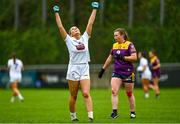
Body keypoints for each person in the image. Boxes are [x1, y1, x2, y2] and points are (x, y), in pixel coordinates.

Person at [53, 2, 99, 122]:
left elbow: (90, 22)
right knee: (74, 95)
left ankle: (91, 116)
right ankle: (73, 116)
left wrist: (95, 9)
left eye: (76, 28)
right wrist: (56, 13)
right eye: (72, 29)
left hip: (84, 67)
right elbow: (60, 27)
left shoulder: (85, 37)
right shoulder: (69, 40)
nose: (75, 29)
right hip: (73, 69)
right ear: (70, 34)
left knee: (85, 93)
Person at [98, 28, 137, 119]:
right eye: (114, 35)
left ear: (122, 35)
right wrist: (103, 69)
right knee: (114, 91)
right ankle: (114, 113)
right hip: (117, 72)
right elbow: (110, 58)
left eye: (116, 35)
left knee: (129, 93)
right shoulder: (114, 45)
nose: (115, 37)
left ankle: (132, 112)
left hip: (128, 72)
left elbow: (134, 57)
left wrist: (124, 58)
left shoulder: (129, 45)